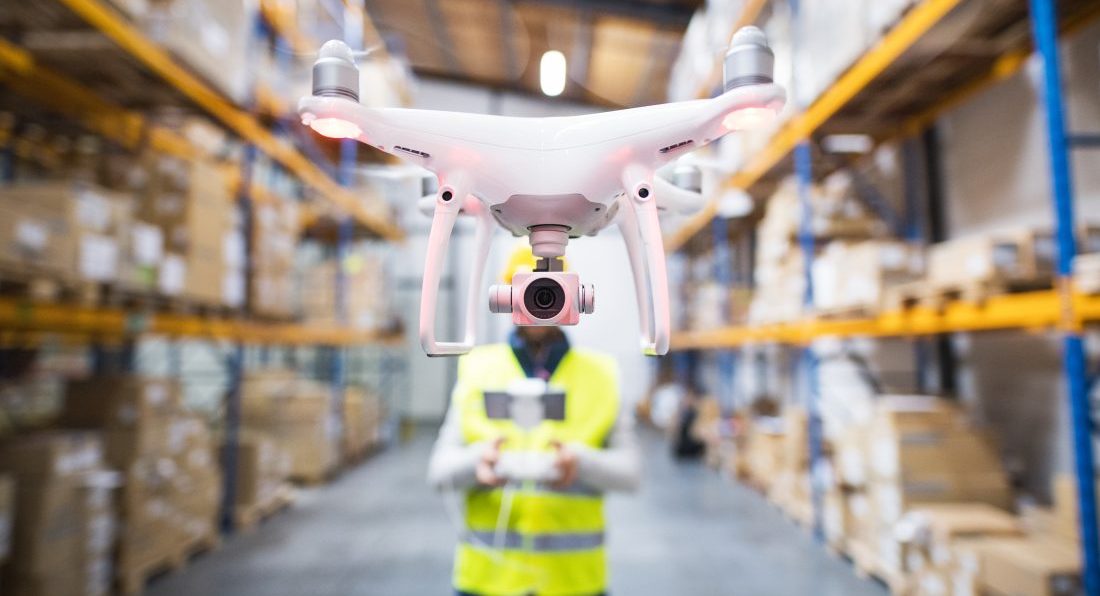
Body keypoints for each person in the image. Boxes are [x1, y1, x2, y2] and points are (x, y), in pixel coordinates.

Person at [428, 246, 642, 596]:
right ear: (505, 297)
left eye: (550, 291)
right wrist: (478, 462)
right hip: (486, 582)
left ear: (574, 296)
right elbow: (439, 470)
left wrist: (580, 463)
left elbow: (631, 473)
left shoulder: (601, 375)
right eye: (524, 290)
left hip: (574, 582)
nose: (539, 304)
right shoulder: (478, 367)